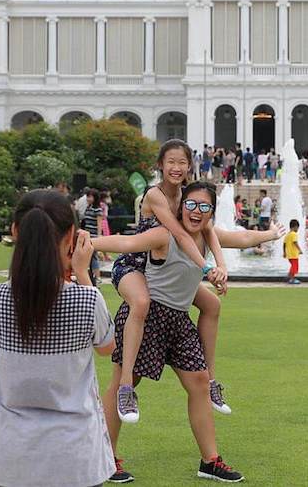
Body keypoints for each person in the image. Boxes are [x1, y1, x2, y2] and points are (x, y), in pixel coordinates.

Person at [94, 182, 260, 484]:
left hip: (179, 320)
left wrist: (272, 233)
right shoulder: (164, 234)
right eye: (191, 204)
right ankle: (105, 458)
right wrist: (84, 242)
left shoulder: (208, 238)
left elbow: (244, 237)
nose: (197, 212)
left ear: (212, 212)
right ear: (181, 206)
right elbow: (125, 244)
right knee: (123, 384)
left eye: (205, 207)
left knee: (199, 382)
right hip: (148, 318)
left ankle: (210, 461)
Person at [0, 189, 116, 487]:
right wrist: (81, 272)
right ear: (71, 237)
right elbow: (107, 347)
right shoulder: (87, 300)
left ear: (15, 232)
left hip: (9, 461)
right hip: (75, 459)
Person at [106, 141, 229, 429]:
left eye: (182, 162)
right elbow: (181, 237)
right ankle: (126, 387)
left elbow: (213, 233)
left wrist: (224, 264)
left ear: (190, 167)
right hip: (136, 266)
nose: (176, 168)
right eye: (170, 162)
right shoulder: (156, 195)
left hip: (160, 268)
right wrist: (207, 268)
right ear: (160, 164)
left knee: (212, 303)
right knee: (141, 303)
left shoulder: (188, 198)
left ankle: (210, 379)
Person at [81, 189, 103, 286]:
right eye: (88, 196)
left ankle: (97, 278)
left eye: (90, 197)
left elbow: (99, 224)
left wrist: (99, 237)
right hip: (87, 236)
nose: (88, 199)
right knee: (88, 258)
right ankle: (93, 277)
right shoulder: (88, 208)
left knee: (93, 257)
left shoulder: (97, 209)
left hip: (93, 237)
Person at [284, 219, 301, 285]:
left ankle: (289, 276)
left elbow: (284, 244)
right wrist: (299, 249)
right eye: (297, 228)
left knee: (293, 266)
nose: (297, 230)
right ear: (295, 227)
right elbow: (295, 242)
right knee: (294, 267)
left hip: (289, 254)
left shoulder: (287, 235)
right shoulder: (294, 234)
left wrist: (284, 252)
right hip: (294, 254)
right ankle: (292, 279)